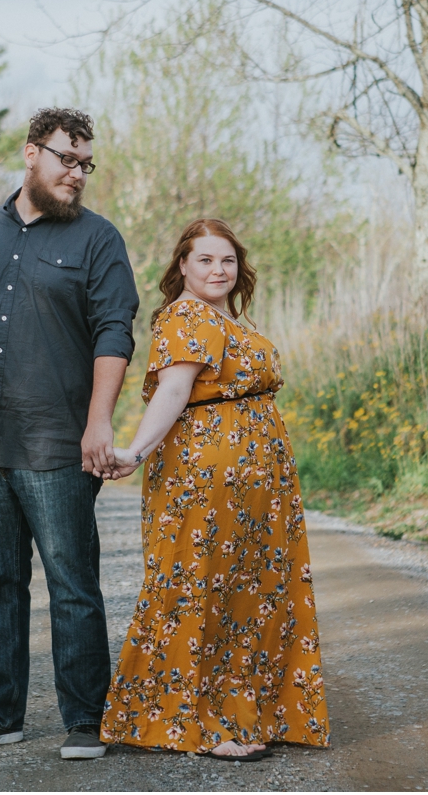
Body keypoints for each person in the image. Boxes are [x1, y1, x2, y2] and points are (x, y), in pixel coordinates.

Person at [0, 108, 140, 761]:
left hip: (57, 444)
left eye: (85, 164)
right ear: (30, 154)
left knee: (73, 584)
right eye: (64, 159)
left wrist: (99, 420)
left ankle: (87, 718)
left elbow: (114, 329)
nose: (76, 173)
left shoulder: (99, 241)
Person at [91, 218, 331, 762]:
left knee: (253, 594)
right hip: (206, 473)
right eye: (204, 260)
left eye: (226, 260)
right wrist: (135, 451)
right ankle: (194, 722)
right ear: (182, 266)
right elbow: (174, 390)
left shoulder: (233, 319)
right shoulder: (185, 317)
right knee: (200, 587)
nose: (217, 270)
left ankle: (250, 711)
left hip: (259, 481)